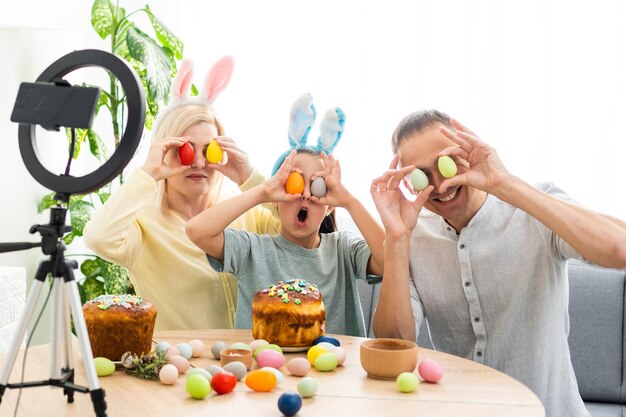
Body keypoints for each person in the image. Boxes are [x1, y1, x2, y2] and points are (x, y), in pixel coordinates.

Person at [370, 109, 626, 417]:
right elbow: (393, 342)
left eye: (445, 164)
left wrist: (503, 183)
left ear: (468, 152)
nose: (439, 186)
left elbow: (619, 250)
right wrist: (396, 240)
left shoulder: (532, 205)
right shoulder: (412, 234)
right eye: (421, 175)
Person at [84, 57, 280, 331]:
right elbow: (98, 238)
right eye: (185, 150)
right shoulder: (144, 226)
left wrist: (250, 179)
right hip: (179, 365)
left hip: (246, 362)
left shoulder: (244, 212)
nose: (199, 163)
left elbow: (298, 227)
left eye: (209, 150)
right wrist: (147, 174)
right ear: (164, 151)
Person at [186, 94, 385, 336]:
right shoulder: (252, 251)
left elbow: (388, 259)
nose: (305, 195)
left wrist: (349, 201)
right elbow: (196, 231)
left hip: (335, 371)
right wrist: (263, 192)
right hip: (265, 372)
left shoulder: (343, 249)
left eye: (318, 185)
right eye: (295, 181)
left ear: (329, 205)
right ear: (277, 200)